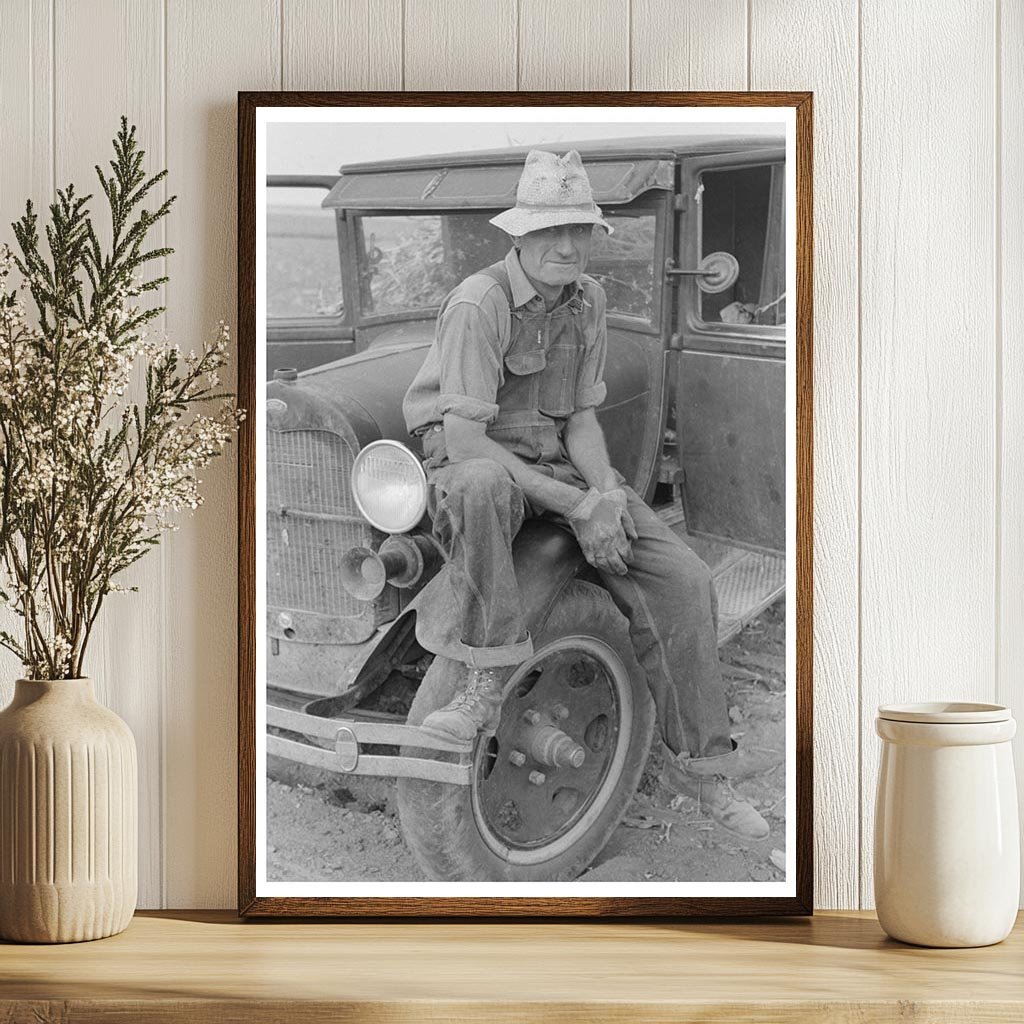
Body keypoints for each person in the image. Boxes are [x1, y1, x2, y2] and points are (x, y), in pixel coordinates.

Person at [402, 149, 769, 841]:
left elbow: (578, 420)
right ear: (520, 235)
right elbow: (469, 443)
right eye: (551, 231)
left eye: (580, 230)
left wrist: (603, 493)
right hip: (478, 463)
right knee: (479, 486)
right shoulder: (479, 304)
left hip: (558, 463)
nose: (568, 245)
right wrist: (576, 508)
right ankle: (484, 680)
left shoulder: (587, 301)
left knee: (684, 579)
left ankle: (703, 767)